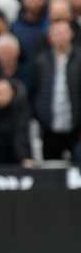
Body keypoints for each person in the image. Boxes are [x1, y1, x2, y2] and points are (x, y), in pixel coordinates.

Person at [31, 21, 81, 161]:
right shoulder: (41, 61)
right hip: (49, 127)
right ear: (50, 37)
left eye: (62, 32)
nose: (59, 36)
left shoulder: (79, 58)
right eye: (55, 33)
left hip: (76, 127)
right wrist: (40, 116)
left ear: (71, 34)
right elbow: (35, 91)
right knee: (51, 169)